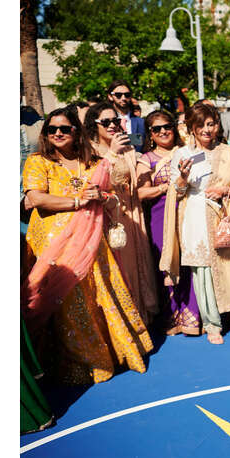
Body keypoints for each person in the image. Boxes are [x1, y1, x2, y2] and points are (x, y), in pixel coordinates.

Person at [22, 106, 153, 383]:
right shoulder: (39, 161)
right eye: (52, 129)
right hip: (53, 244)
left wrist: (102, 198)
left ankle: (113, 352)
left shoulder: (92, 161)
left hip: (93, 241)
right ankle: (81, 362)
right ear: (45, 134)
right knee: (67, 300)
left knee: (99, 293)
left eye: (65, 128)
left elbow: (113, 198)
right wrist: (79, 202)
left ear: (76, 131)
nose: (58, 133)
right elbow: (36, 199)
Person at [160, 103, 230, 344]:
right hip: (196, 217)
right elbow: (176, 193)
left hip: (226, 214)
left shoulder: (228, 151)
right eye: (200, 124)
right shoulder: (182, 154)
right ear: (191, 127)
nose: (206, 129)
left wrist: (227, 189)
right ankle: (212, 325)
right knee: (204, 272)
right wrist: (181, 177)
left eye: (211, 123)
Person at [83, 102, 159, 325]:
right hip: (107, 217)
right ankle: (122, 325)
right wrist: (113, 154)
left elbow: (133, 181)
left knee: (137, 264)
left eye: (115, 121)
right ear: (93, 125)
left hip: (131, 213)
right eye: (105, 122)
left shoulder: (127, 148)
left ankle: (141, 318)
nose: (112, 125)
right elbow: (96, 183)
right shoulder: (90, 150)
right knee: (119, 269)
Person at [137, 110, 200, 336]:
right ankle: (172, 316)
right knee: (167, 263)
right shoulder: (146, 159)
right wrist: (166, 187)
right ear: (150, 134)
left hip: (188, 211)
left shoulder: (186, 152)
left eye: (167, 126)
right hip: (161, 215)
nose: (163, 131)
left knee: (189, 260)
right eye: (157, 129)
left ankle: (192, 316)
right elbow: (141, 193)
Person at [106, 80, 145, 148]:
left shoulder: (141, 122)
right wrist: (135, 139)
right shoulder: (104, 121)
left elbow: (144, 141)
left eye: (127, 95)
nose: (123, 98)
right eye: (118, 95)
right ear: (110, 96)